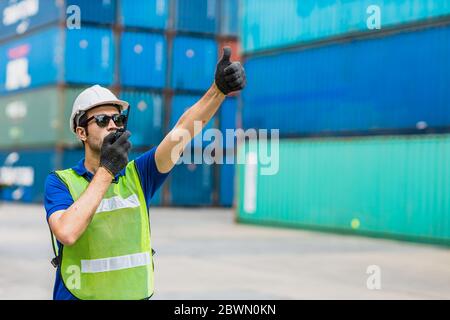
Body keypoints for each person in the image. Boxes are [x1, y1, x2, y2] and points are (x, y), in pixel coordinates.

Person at [44, 47, 245, 300]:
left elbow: (182, 130)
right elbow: (68, 231)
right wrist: (107, 170)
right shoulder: (60, 182)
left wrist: (218, 91)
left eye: (118, 119)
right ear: (81, 132)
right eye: (103, 120)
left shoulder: (140, 175)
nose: (114, 125)